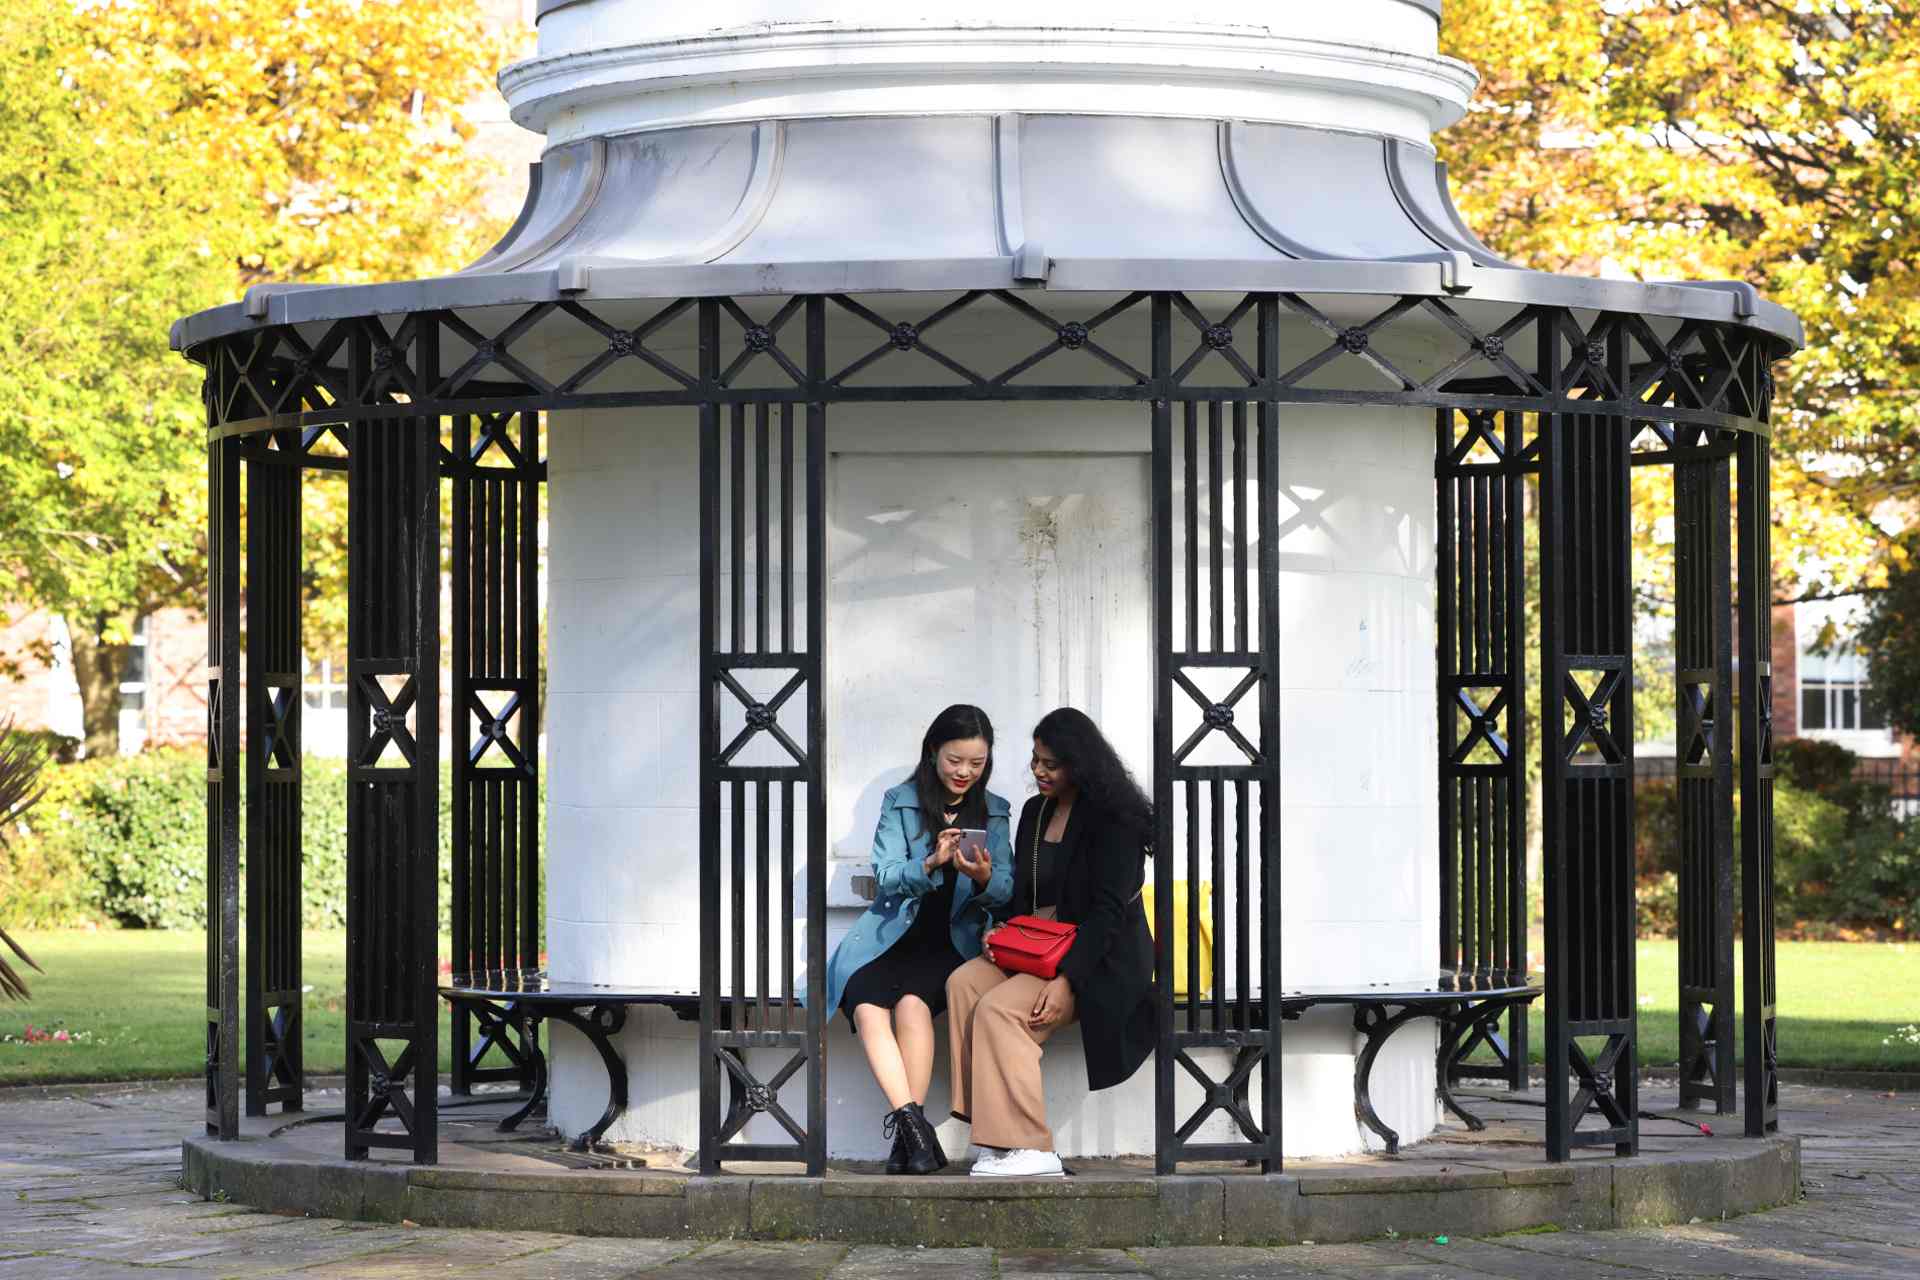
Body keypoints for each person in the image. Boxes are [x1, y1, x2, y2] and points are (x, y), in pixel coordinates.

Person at [946, 706, 1156, 1177]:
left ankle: (1033, 1148)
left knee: (1001, 1010)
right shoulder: (1036, 811)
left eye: (1051, 763)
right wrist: (999, 928)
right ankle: (996, 1136)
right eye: (1036, 760)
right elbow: (1025, 892)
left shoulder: (1113, 819)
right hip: (1036, 946)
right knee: (964, 984)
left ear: (1079, 764)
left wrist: (1067, 982)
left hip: (1095, 956)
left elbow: (1107, 914)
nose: (1039, 771)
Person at [823, 704, 1014, 1175]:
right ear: (933, 753)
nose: (965, 772)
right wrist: (929, 863)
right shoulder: (901, 801)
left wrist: (986, 876)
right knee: (867, 1005)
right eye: (955, 761)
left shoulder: (995, 812)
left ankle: (909, 1141)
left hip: (950, 939)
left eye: (976, 763)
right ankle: (915, 1133)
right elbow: (886, 876)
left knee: (912, 1006)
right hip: (892, 934)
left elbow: (1008, 890)